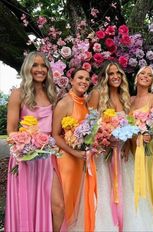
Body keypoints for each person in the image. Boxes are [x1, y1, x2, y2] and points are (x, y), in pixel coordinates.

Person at [88, 61, 153, 231]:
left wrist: (128, 144)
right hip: (104, 153)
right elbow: (89, 125)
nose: (115, 77)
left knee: (126, 192)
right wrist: (103, 136)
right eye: (111, 73)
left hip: (122, 153)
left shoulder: (124, 97)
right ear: (105, 77)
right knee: (106, 192)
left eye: (118, 73)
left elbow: (128, 127)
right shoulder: (97, 94)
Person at [5, 51, 64, 232]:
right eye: (35, 65)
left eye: (43, 66)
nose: (39, 70)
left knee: (58, 206)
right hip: (25, 158)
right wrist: (26, 148)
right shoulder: (18, 94)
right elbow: (11, 129)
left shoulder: (53, 94)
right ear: (28, 68)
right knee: (26, 204)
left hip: (48, 159)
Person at [52, 68, 97, 231]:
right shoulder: (65, 102)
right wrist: (75, 153)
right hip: (67, 159)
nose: (84, 81)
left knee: (78, 201)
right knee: (66, 201)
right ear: (71, 80)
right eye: (80, 78)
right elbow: (55, 135)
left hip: (81, 160)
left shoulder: (85, 103)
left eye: (87, 79)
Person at [128, 66, 153, 231]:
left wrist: (149, 133)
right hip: (129, 149)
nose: (145, 76)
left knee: (146, 187)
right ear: (136, 78)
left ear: (152, 81)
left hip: (146, 149)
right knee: (131, 186)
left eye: (149, 75)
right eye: (142, 73)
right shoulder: (129, 100)